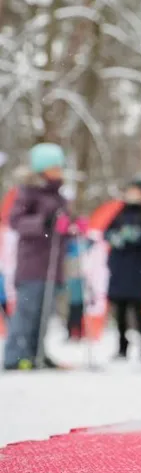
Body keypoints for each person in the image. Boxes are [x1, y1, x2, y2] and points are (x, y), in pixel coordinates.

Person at [2, 143, 71, 370]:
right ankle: (15, 355)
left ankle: (36, 352)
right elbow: (16, 221)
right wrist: (43, 223)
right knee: (27, 311)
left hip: (52, 264)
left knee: (45, 312)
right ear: (41, 168)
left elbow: (62, 227)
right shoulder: (28, 192)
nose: (58, 171)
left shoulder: (60, 196)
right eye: (53, 167)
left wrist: (70, 227)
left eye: (59, 167)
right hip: (32, 264)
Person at [104, 179, 141, 361]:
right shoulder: (119, 213)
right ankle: (122, 347)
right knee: (119, 310)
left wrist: (137, 236)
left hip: (138, 268)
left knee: (137, 308)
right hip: (120, 267)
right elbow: (106, 232)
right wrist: (116, 237)